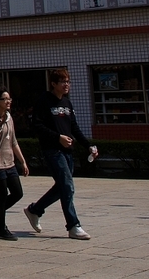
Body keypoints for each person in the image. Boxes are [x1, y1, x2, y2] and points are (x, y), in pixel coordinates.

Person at [25, 68, 97, 240]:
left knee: (62, 188)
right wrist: (58, 138)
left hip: (67, 152)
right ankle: (73, 226)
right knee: (67, 186)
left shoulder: (67, 103)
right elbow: (37, 126)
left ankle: (34, 210)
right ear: (53, 84)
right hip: (52, 151)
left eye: (68, 81)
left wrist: (88, 145)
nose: (66, 85)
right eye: (63, 81)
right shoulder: (44, 101)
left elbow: (74, 127)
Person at [0, 88, 29, 240]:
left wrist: (23, 161)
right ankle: (1, 228)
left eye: (9, 98)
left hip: (10, 163)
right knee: (2, 195)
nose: (8, 101)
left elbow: (13, 141)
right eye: (5, 99)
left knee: (17, 193)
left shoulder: (9, 117)